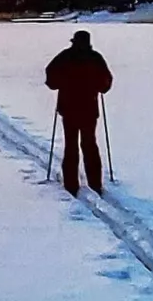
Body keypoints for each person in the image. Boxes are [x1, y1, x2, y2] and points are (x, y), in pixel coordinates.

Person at [45, 30, 113, 195]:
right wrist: (100, 87)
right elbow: (106, 81)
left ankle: (71, 184)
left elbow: (51, 77)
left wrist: (59, 83)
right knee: (90, 144)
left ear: (74, 41)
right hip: (89, 108)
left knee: (71, 145)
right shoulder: (95, 58)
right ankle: (95, 183)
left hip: (68, 108)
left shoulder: (65, 56)